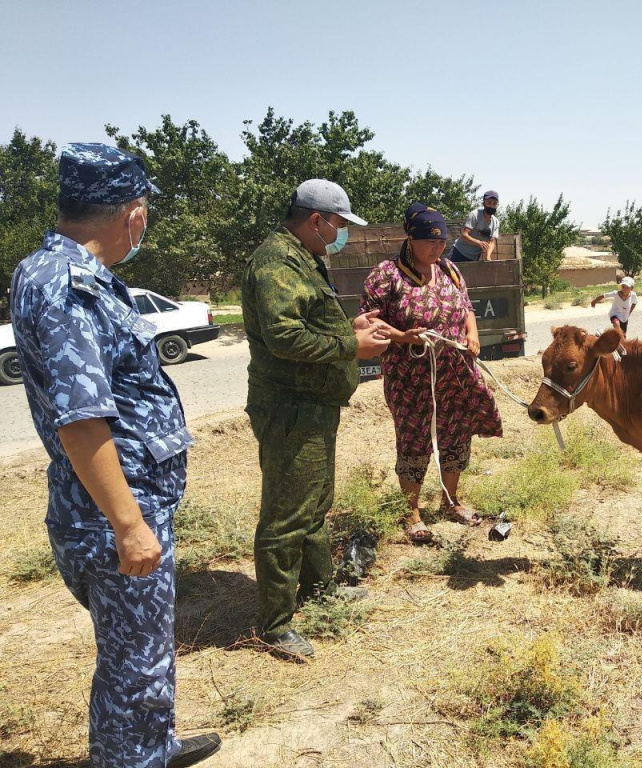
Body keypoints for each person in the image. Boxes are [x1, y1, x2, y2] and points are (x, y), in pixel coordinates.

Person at [9, 143, 221, 767]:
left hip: (119, 501)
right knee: (135, 666)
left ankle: (152, 746)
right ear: (132, 214)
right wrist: (129, 526)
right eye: (145, 211)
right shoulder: (68, 284)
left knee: (142, 654)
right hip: (112, 513)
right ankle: (133, 757)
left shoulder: (60, 271)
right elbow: (80, 420)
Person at [241, 179, 392, 662]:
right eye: (340, 225)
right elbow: (283, 338)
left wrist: (350, 328)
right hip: (290, 409)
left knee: (314, 503)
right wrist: (352, 347)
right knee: (287, 515)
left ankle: (319, 589)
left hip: (313, 404)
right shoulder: (276, 262)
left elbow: (304, 325)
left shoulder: (304, 259)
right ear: (315, 221)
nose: (341, 233)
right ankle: (275, 624)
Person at [361, 204, 502, 543]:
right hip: (411, 378)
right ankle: (411, 512)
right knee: (414, 439)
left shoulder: (450, 269)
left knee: (456, 432)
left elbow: (466, 306)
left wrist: (473, 335)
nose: (437, 249)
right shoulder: (386, 275)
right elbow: (368, 321)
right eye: (429, 242)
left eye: (442, 242)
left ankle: (450, 502)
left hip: (454, 372)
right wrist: (401, 335)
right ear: (410, 238)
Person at [449, 190, 501, 263]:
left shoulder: (495, 222)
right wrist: (478, 243)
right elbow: (464, 235)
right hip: (459, 252)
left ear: (497, 205)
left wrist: (488, 256)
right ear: (483, 203)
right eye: (489, 203)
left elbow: (492, 242)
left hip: (473, 257)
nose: (491, 206)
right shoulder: (475, 215)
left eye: (494, 203)